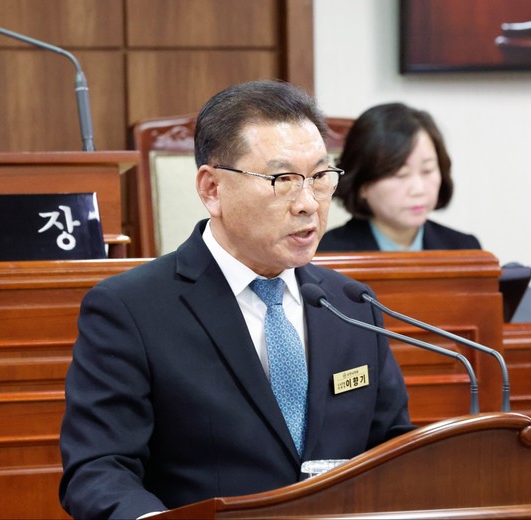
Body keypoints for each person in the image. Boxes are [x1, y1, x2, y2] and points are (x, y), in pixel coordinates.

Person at [59, 80, 414, 519]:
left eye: (320, 177)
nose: (308, 203)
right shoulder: (129, 309)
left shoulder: (351, 304)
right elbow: (98, 470)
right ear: (212, 189)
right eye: (283, 180)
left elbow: (393, 448)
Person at [318, 102, 481, 252]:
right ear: (363, 185)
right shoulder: (328, 253)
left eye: (427, 170)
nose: (418, 189)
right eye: (400, 174)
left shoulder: (465, 249)